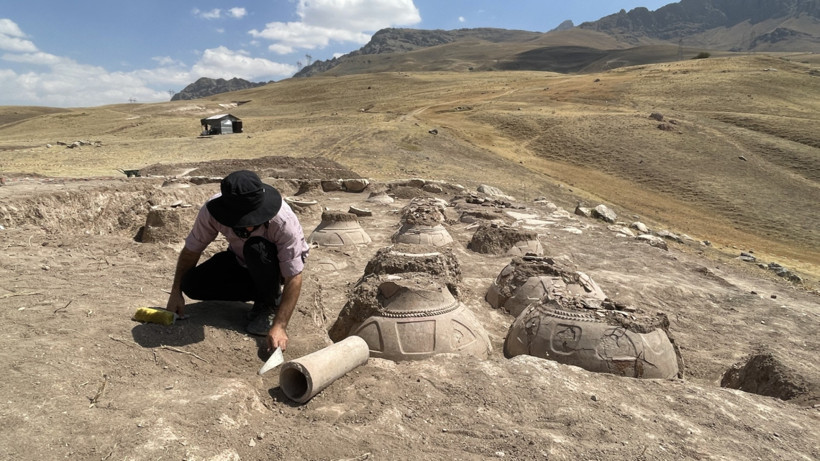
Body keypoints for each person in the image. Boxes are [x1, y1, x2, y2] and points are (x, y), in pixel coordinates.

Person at [165, 170, 309, 351]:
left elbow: (294, 276)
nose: (248, 226)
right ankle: (259, 293)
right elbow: (191, 251)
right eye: (240, 221)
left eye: (253, 219)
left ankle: (270, 303)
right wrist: (176, 292)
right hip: (241, 260)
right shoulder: (211, 211)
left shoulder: (283, 221)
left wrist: (280, 326)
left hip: (273, 267)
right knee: (191, 284)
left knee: (256, 248)